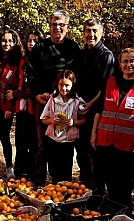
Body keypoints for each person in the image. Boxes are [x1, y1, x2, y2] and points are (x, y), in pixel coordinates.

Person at [91, 48, 134, 210]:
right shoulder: (110, 80)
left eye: (132, 61)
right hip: (105, 139)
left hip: (127, 142)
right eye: (125, 61)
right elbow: (99, 108)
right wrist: (93, 133)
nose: (128, 64)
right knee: (106, 178)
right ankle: (108, 210)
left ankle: (123, 211)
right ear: (119, 63)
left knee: (124, 182)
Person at [27, 9, 80, 186]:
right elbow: (31, 73)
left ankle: (62, 184)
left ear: (67, 27)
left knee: (65, 144)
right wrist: (37, 93)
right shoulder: (40, 47)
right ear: (49, 26)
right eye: (54, 24)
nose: (57, 28)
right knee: (41, 144)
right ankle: (39, 184)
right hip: (44, 101)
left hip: (67, 102)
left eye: (61, 25)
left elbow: (77, 76)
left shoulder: (73, 48)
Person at [75, 18, 115, 191]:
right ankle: (85, 185)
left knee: (95, 151)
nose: (91, 34)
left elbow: (106, 87)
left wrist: (89, 105)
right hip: (80, 107)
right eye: (87, 30)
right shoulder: (82, 54)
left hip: (96, 110)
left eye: (94, 31)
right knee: (81, 149)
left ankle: (97, 191)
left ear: (101, 32)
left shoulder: (107, 56)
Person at [5, 30, 44, 180]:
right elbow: (16, 82)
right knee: (20, 145)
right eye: (29, 40)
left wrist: (16, 94)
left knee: (35, 145)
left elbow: (36, 88)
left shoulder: (42, 62)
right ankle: (20, 175)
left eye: (35, 40)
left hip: (36, 110)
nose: (32, 44)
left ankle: (35, 177)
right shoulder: (23, 61)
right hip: (21, 110)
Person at [40, 70, 86, 183]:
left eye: (67, 85)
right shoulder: (52, 100)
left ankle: (64, 192)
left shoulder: (77, 102)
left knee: (65, 170)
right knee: (53, 169)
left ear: (72, 85)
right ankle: (55, 189)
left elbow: (85, 121)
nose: (63, 88)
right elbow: (43, 119)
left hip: (68, 142)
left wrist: (73, 122)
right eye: (61, 85)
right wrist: (52, 120)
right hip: (53, 140)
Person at [0, 28, 24, 178]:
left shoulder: (18, 62)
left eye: (10, 40)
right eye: (4, 40)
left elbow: (16, 86)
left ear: (15, 42)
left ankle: (9, 166)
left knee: (4, 137)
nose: (7, 43)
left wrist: (10, 108)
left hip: (7, 107)